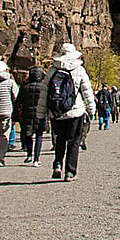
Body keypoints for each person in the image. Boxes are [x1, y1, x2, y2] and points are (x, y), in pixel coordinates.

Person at [48, 43, 96, 180]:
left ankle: (57, 164)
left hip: (57, 112)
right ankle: (70, 172)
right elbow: (87, 92)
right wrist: (91, 109)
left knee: (59, 140)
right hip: (76, 112)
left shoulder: (52, 70)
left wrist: (41, 113)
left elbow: (45, 92)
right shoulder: (79, 69)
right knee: (74, 142)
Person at [16, 66, 47, 166]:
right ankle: (36, 158)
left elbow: (18, 101)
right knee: (39, 135)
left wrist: (16, 113)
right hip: (40, 113)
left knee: (28, 134)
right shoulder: (44, 87)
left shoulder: (24, 87)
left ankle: (29, 154)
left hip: (27, 113)